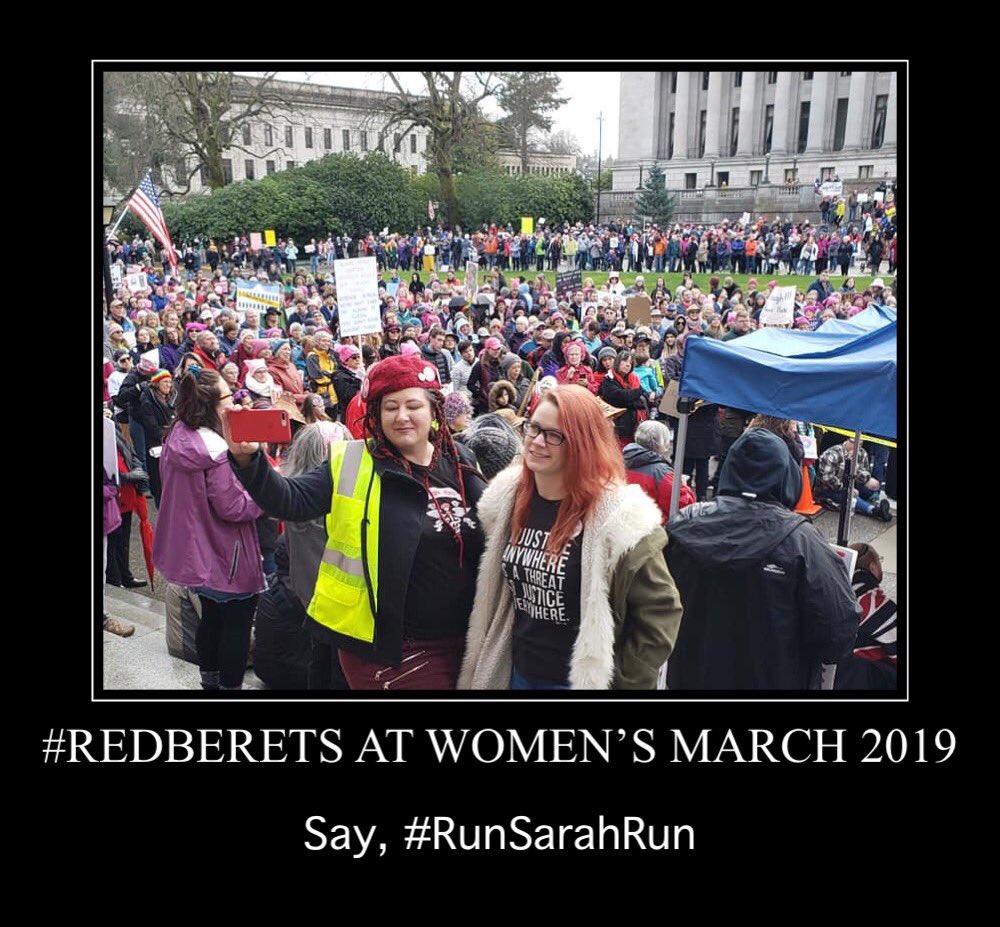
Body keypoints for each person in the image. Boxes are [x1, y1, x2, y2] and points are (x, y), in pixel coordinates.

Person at [226, 353, 488, 690]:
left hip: (466, 638)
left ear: (434, 410)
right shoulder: (351, 461)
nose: (402, 416)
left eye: (413, 405)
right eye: (390, 407)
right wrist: (248, 461)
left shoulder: (459, 458)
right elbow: (289, 500)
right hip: (389, 650)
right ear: (376, 414)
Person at [458, 385, 683, 690]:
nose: (537, 441)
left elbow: (661, 610)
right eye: (534, 428)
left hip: (576, 682)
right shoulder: (507, 500)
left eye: (554, 435)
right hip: (515, 673)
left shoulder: (620, 519)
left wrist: (627, 681)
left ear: (582, 443)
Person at [665, 427, 860, 689]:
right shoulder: (804, 542)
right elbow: (837, 635)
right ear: (787, 476)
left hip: (690, 677)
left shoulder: (682, 526)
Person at [151, 367, 266, 691]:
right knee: (237, 625)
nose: (234, 399)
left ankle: (209, 684)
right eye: (228, 395)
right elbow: (234, 507)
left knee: (212, 617)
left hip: (197, 551)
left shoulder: (178, 435)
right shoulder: (214, 450)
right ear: (210, 404)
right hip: (226, 553)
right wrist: (266, 493)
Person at [624, 420, 695, 523]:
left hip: (626, 523)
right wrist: (683, 485)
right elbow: (683, 506)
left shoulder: (620, 460)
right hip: (652, 526)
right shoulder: (662, 473)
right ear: (662, 442)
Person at [815, 436, 892, 521]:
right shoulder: (832, 454)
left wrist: (867, 479)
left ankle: (874, 502)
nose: (857, 447)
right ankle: (874, 511)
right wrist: (848, 489)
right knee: (851, 497)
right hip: (830, 489)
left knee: (869, 488)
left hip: (851, 483)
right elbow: (827, 479)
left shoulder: (862, 452)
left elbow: (864, 470)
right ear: (847, 440)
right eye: (854, 443)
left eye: (860, 444)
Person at [138, 369, 176, 506]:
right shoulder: (147, 400)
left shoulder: (173, 397)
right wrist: (169, 436)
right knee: (158, 480)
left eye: (170, 382)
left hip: (172, 442)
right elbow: (152, 427)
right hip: (156, 446)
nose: (168, 385)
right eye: (165, 382)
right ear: (156, 383)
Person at [599, 350, 650, 448]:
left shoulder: (633, 379)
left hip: (635, 425)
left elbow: (645, 398)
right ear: (618, 362)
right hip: (619, 427)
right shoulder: (609, 380)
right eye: (625, 361)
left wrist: (631, 399)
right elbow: (621, 397)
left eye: (630, 363)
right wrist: (636, 395)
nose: (628, 365)